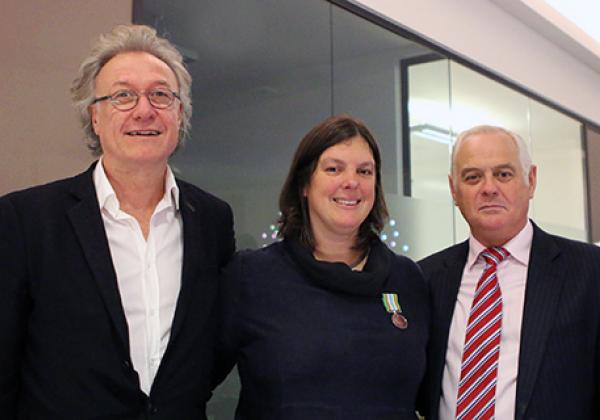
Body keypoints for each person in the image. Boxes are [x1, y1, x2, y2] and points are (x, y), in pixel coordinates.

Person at [0, 24, 235, 419]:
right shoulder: (25, 220)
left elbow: (213, 349)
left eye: (161, 95)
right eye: (123, 96)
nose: (144, 110)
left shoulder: (212, 220)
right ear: (94, 116)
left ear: (179, 113)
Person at [213, 115, 429, 419]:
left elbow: (432, 396)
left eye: (364, 171)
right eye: (333, 169)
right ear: (304, 184)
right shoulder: (251, 277)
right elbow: (192, 384)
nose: (351, 181)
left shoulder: (408, 279)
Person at [418, 125, 600, 419]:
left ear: (531, 180)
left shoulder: (590, 272)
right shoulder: (425, 278)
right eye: (473, 177)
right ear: (454, 189)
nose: (489, 188)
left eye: (503, 174)